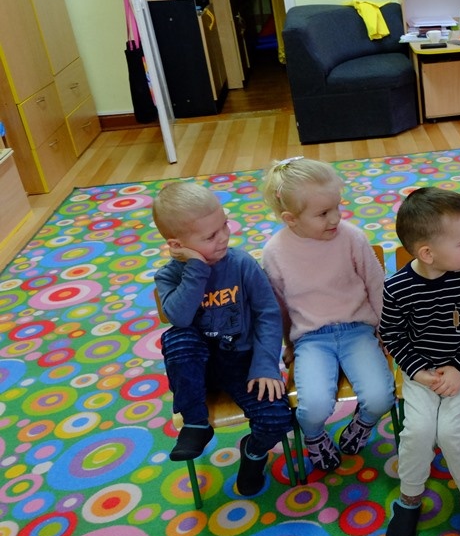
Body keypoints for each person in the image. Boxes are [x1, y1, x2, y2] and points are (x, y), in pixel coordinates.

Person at [379, 187, 460, 536]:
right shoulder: (397, 288)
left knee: (451, 431)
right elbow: (393, 335)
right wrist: (417, 372)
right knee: (417, 431)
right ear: (427, 253)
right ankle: (409, 498)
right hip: (422, 374)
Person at [152, 181, 292, 496]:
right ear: (177, 245)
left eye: (224, 226)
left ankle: (253, 453)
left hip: (242, 363)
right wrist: (196, 267)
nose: (224, 237)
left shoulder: (241, 263)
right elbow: (180, 317)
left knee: (278, 419)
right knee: (177, 337)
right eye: (210, 236)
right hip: (196, 369)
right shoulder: (169, 275)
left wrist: (265, 365)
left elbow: (268, 314)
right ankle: (196, 423)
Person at [261, 157, 395, 472]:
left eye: (337, 206)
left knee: (381, 398)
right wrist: (288, 344)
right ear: (290, 219)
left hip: (358, 331)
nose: (335, 218)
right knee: (313, 408)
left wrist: (386, 331)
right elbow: (278, 307)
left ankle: (363, 423)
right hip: (311, 340)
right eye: (323, 213)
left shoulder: (352, 238)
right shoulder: (274, 252)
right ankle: (314, 437)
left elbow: (377, 286)